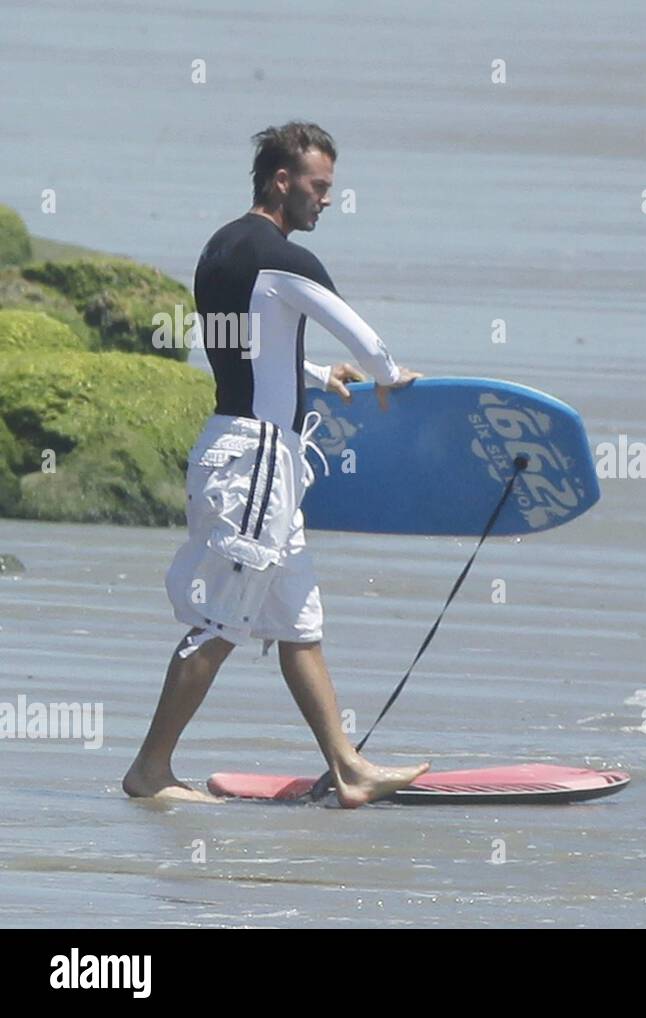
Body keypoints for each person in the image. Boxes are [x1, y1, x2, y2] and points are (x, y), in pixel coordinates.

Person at [123, 122, 429, 806]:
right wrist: (387, 374)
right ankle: (150, 770)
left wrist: (320, 378)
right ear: (282, 181)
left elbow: (243, 348)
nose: (326, 201)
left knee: (299, 622)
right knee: (224, 621)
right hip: (258, 459)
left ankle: (349, 769)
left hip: (247, 451)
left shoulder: (222, 246)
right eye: (319, 187)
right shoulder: (281, 256)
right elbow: (366, 337)